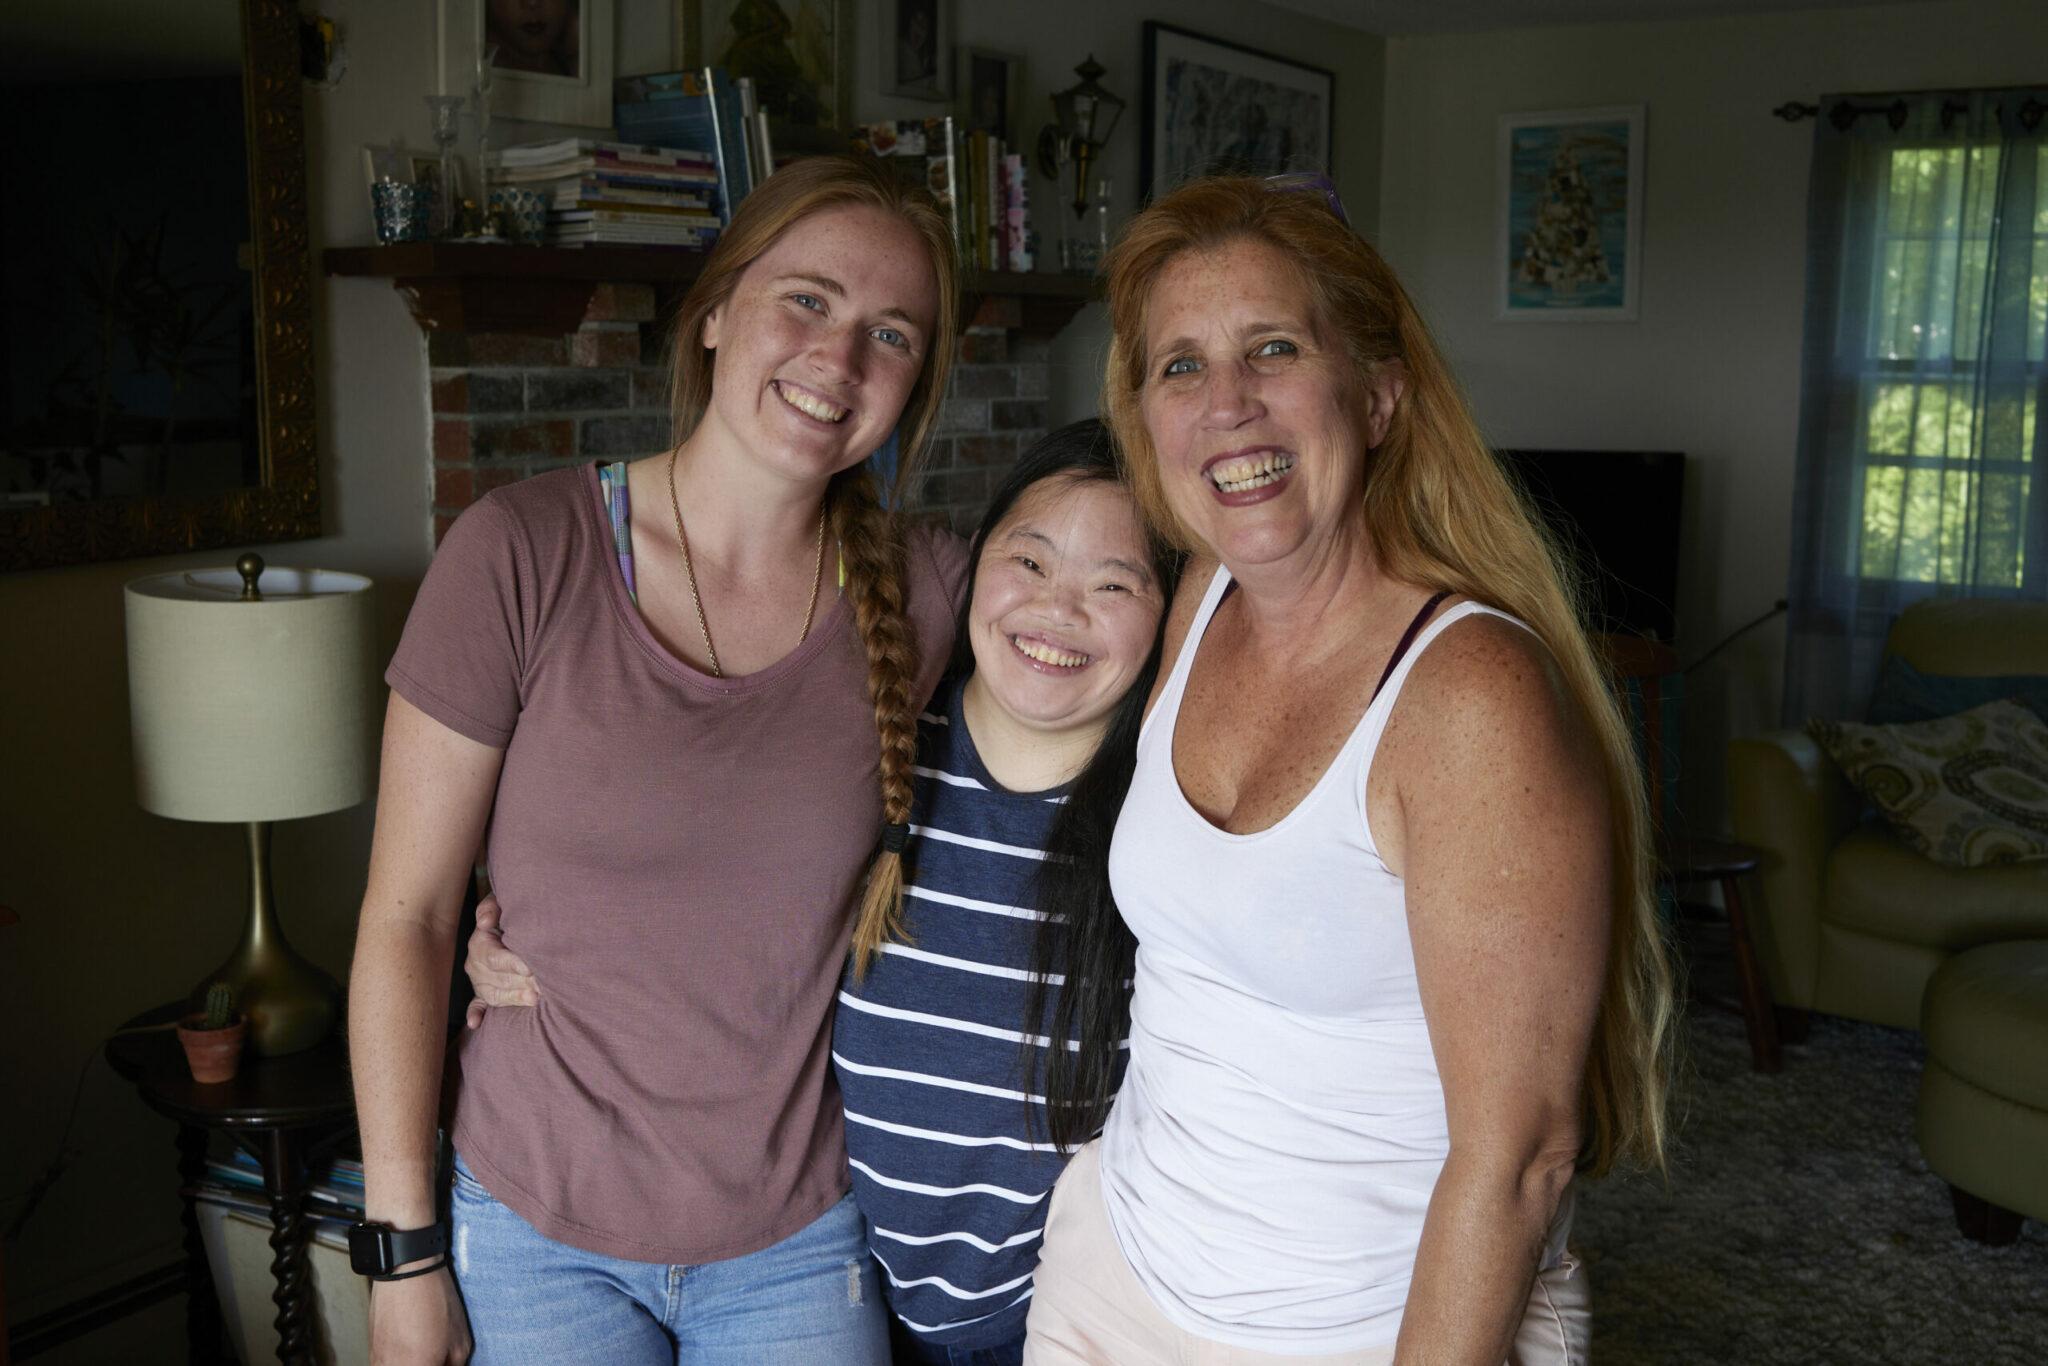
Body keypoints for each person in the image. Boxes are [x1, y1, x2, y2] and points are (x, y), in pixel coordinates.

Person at [1020, 175, 1677, 1364]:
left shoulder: (1469, 697)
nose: (1226, 405)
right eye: (1179, 366)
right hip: (1114, 1275)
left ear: (1375, 395)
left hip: (1365, 1327)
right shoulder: (1199, 600)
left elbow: (1519, 1157)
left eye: (1271, 349)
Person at [347, 154, 964, 1366]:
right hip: (531, 1232)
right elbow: (410, 917)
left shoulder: (933, 587)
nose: (837, 359)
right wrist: (400, 1255)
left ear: (914, 383)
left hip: (797, 1240)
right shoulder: (520, 553)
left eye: (889, 333)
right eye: (807, 300)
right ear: (718, 311)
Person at [464, 420, 1178, 1366]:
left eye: (1115, 583)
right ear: (973, 567)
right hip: (858, 1287)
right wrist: (527, 934)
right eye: (1031, 561)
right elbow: (716, 876)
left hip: (1082, 1319)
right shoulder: (875, 756)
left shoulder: (1171, 828)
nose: (1060, 608)